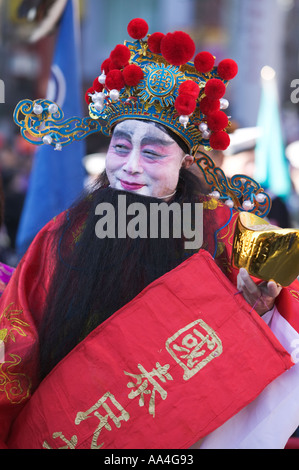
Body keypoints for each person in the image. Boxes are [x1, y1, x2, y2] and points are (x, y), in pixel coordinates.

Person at [1, 18, 299, 450]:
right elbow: (17, 339)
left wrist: (258, 307)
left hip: (183, 432)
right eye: (121, 148)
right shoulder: (64, 234)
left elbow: (278, 316)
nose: (131, 166)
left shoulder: (222, 232)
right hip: (74, 427)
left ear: (187, 162)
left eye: (153, 152)